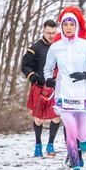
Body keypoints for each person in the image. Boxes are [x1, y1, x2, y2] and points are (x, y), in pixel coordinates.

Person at [44, 7, 86, 170]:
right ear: (61, 27)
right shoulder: (55, 47)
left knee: (83, 135)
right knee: (70, 130)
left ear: (76, 26)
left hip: (83, 95)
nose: (68, 27)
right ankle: (76, 167)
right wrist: (49, 79)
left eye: (72, 24)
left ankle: (83, 143)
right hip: (64, 95)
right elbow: (48, 68)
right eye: (65, 24)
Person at [21, 20, 61, 157]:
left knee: (56, 117)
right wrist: (33, 77)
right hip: (39, 87)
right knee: (38, 119)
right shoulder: (36, 47)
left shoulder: (60, 46)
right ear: (43, 31)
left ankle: (50, 144)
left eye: (53, 33)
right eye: (48, 33)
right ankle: (38, 144)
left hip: (56, 87)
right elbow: (25, 66)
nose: (51, 35)